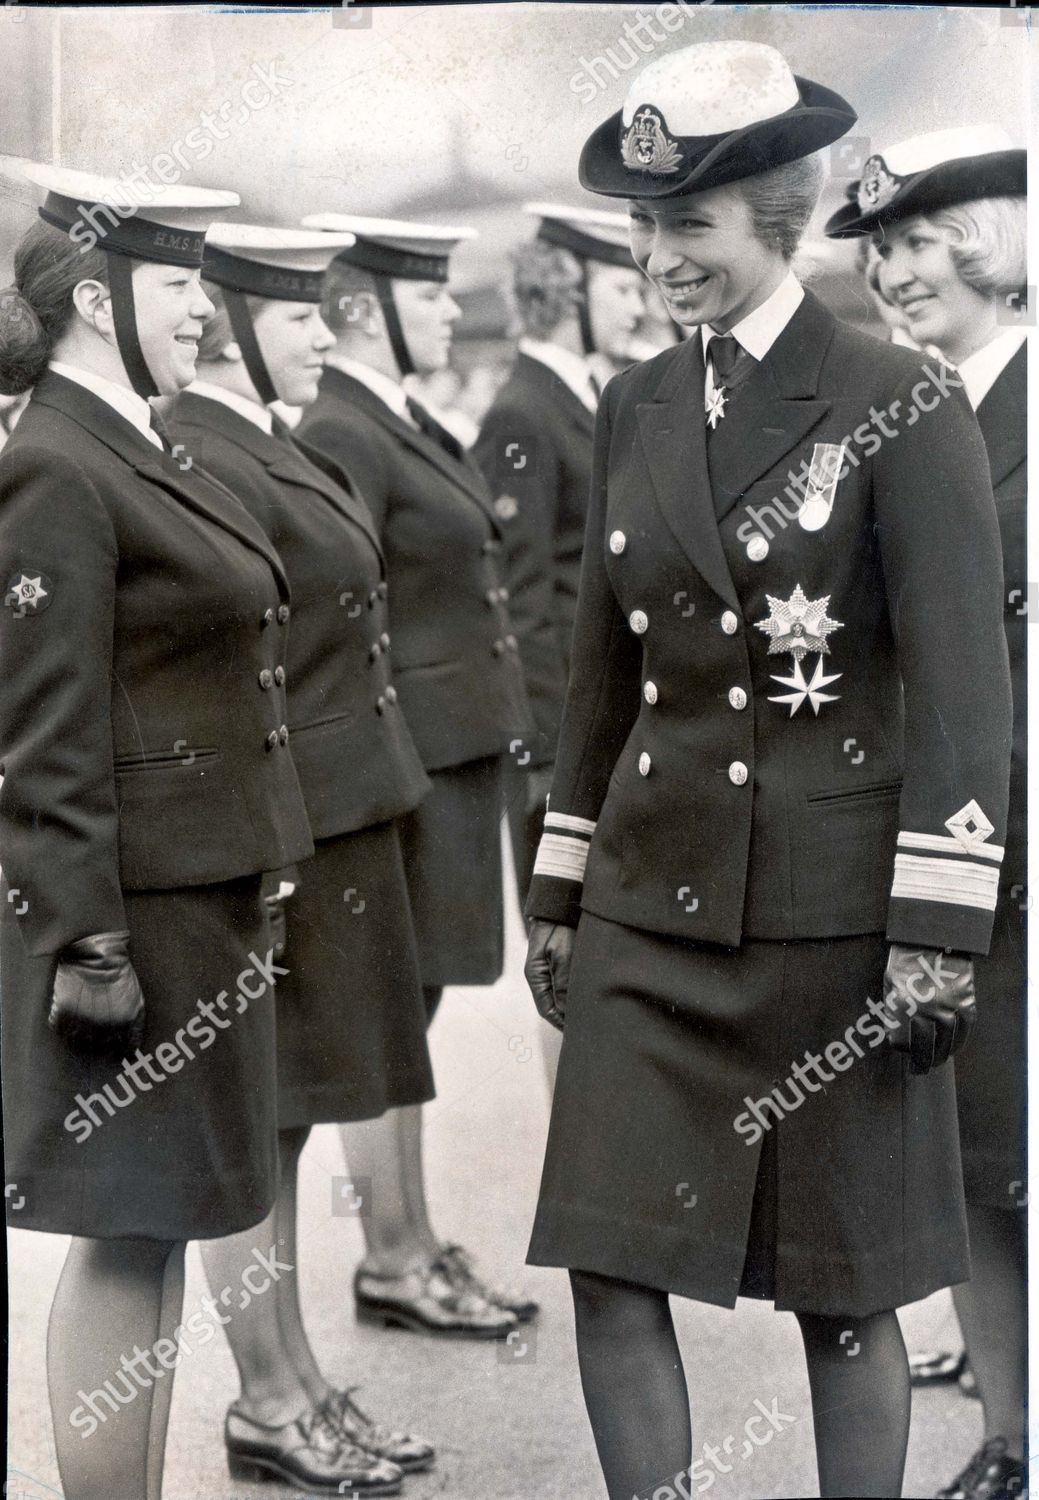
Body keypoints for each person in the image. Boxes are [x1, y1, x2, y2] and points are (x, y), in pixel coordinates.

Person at [521, 41, 1013, 1500]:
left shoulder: (892, 398)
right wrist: (556, 889)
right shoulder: (632, 404)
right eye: (645, 227)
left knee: (841, 1297)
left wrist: (936, 929)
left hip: (829, 923)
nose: (658, 256)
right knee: (607, 1268)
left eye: (690, 226)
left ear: (776, 219)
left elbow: (957, 688)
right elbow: (598, 675)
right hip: (646, 912)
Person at [0, 165, 314, 1500]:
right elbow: (38, 732)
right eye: (179, 281)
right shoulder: (54, 468)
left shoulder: (140, 440)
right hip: (131, 923)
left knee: (159, 1228)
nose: (203, 308)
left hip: (200, 903)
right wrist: (87, 939)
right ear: (94, 296)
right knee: (127, 1236)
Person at [167, 223, 438, 1495]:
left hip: (344, 818)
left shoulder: (265, 437)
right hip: (292, 829)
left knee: (291, 1126)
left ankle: (301, 1379)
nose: (328, 334)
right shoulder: (204, 451)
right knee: (264, 1122)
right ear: (228, 325)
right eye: (299, 317)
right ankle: (268, 1397)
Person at [827, 124, 1027, 1500]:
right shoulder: (905, 412)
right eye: (879, 249)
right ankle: (1010, 1436)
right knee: (975, 1160)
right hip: (953, 840)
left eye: (914, 242)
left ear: (990, 243)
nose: (893, 273)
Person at [294, 213, 538, 1338]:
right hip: (406, 766)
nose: (451, 311)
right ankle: (392, 1255)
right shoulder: (345, 425)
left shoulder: (395, 416)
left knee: (414, 1009)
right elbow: (344, 614)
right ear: (361, 310)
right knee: (389, 1014)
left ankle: (412, 1241)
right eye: (429, 295)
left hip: (448, 756)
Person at [474, 204, 643, 915]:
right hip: (569, 729)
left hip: (614, 709)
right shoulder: (521, 410)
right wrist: (547, 752)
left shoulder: (589, 394)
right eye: (621, 288)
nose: (639, 304)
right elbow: (518, 596)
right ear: (568, 293)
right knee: (566, 931)